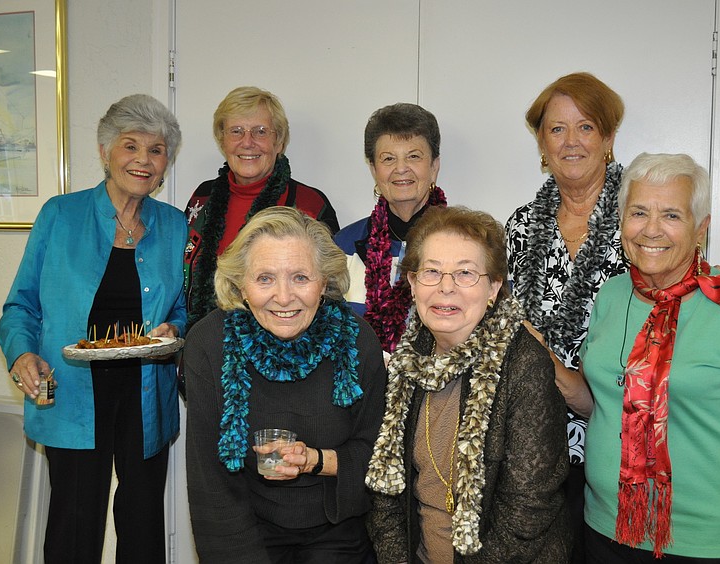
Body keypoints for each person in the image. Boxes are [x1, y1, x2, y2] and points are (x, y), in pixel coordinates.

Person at [0, 94, 187, 562]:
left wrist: (172, 329)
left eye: (157, 150)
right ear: (105, 152)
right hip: (74, 392)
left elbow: (184, 308)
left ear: (166, 164)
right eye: (130, 146)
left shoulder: (176, 225)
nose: (143, 160)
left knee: (143, 525)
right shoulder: (60, 215)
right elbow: (19, 305)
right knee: (74, 524)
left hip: (146, 396)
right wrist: (21, 354)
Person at [580, 153, 720, 563]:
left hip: (706, 547)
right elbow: (601, 400)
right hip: (604, 530)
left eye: (672, 216)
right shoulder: (610, 295)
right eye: (639, 212)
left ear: (702, 228)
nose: (651, 230)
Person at [366, 206, 571, 563]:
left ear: (493, 287)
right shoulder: (406, 360)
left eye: (465, 273)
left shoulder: (525, 364)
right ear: (412, 283)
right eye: (431, 271)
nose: (446, 287)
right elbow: (385, 497)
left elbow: (527, 510)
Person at [184, 206, 386, 563]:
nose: (283, 297)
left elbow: (378, 455)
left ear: (324, 283)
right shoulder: (209, 344)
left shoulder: (357, 341)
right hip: (244, 528)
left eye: (300, 278)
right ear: (240, 286)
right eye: (264, 278)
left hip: (338, 527)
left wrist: (315, 460)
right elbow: (211, 484)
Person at [505, 71, 626, 562]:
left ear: (609, 139)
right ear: (541, 141)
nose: (571, 141)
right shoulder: (517, 226)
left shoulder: (641, 221)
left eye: (586, 127)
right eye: (556, 129)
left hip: (617, 437)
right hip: (537, 444)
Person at [184, 86, 340, 330]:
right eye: (236, 131)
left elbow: (329, 291)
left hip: (283, 352)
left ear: (279, 142)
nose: (247, 142)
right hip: (205, 347)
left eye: (260, 131)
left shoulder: (309, 204)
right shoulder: (201, 199)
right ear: (222, 140)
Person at [334, 102, 446, 353]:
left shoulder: (465, 244)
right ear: (374, 169)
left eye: (414, 156)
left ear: (434, 166)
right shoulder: (343, 246)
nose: (401, 169)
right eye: (388, 159)